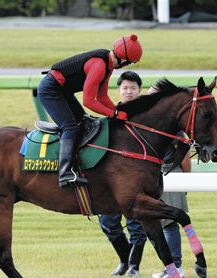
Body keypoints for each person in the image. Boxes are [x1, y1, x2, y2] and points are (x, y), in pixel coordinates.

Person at [38, 34, 143, 187]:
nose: (127, 66)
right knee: (70, 127)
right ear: (124, 60)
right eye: (129, 63)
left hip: (63, 91)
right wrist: (113, 114)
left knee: (85, 122)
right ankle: (65, 174)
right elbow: (88, 101)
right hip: (51, 90)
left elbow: (102, 96)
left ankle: (79, 165)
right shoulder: (99, 65)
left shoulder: (108, 65)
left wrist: (118, 112)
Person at [99, 71, 147, 277]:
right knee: (107, 222)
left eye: (133, 88)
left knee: (136, 223)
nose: (129, 91)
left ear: (139, 91)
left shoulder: (147, 116)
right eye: (125, 88)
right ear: (119, 90)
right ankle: (124, 260)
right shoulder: (111, 114)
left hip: (136, 178)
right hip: (112, 179)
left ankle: (134, 265)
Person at [146, 84, 191, 278]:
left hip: (170, 174)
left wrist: (183, 180)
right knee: (163, 224)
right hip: (158, 175)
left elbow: (185, 155)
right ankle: (171, 267)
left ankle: (176, 267)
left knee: (169, 224)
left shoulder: (172, 126)